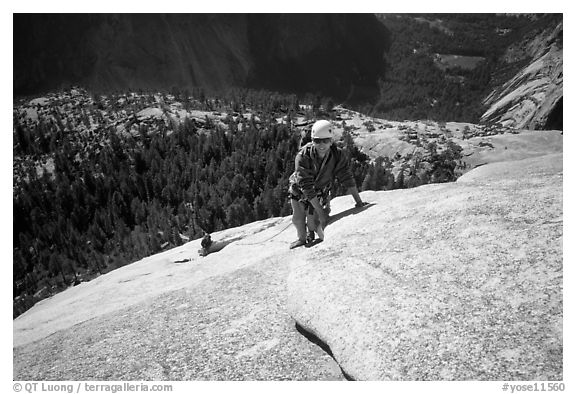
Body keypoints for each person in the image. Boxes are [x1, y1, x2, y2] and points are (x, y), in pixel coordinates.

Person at [288, 119, 366, 249]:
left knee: (315, 222)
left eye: (325, 141)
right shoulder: (303, 156)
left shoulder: (337, 154)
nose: (321, 144)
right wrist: (321, 211)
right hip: (299, 190)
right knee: (298, 218)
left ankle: (311, 232)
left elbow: (346, 176)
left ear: (331, 141)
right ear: (312, 140)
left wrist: (358, 202)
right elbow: (305, 186)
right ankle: (301, 239)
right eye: (317, 141)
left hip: (320, 190)